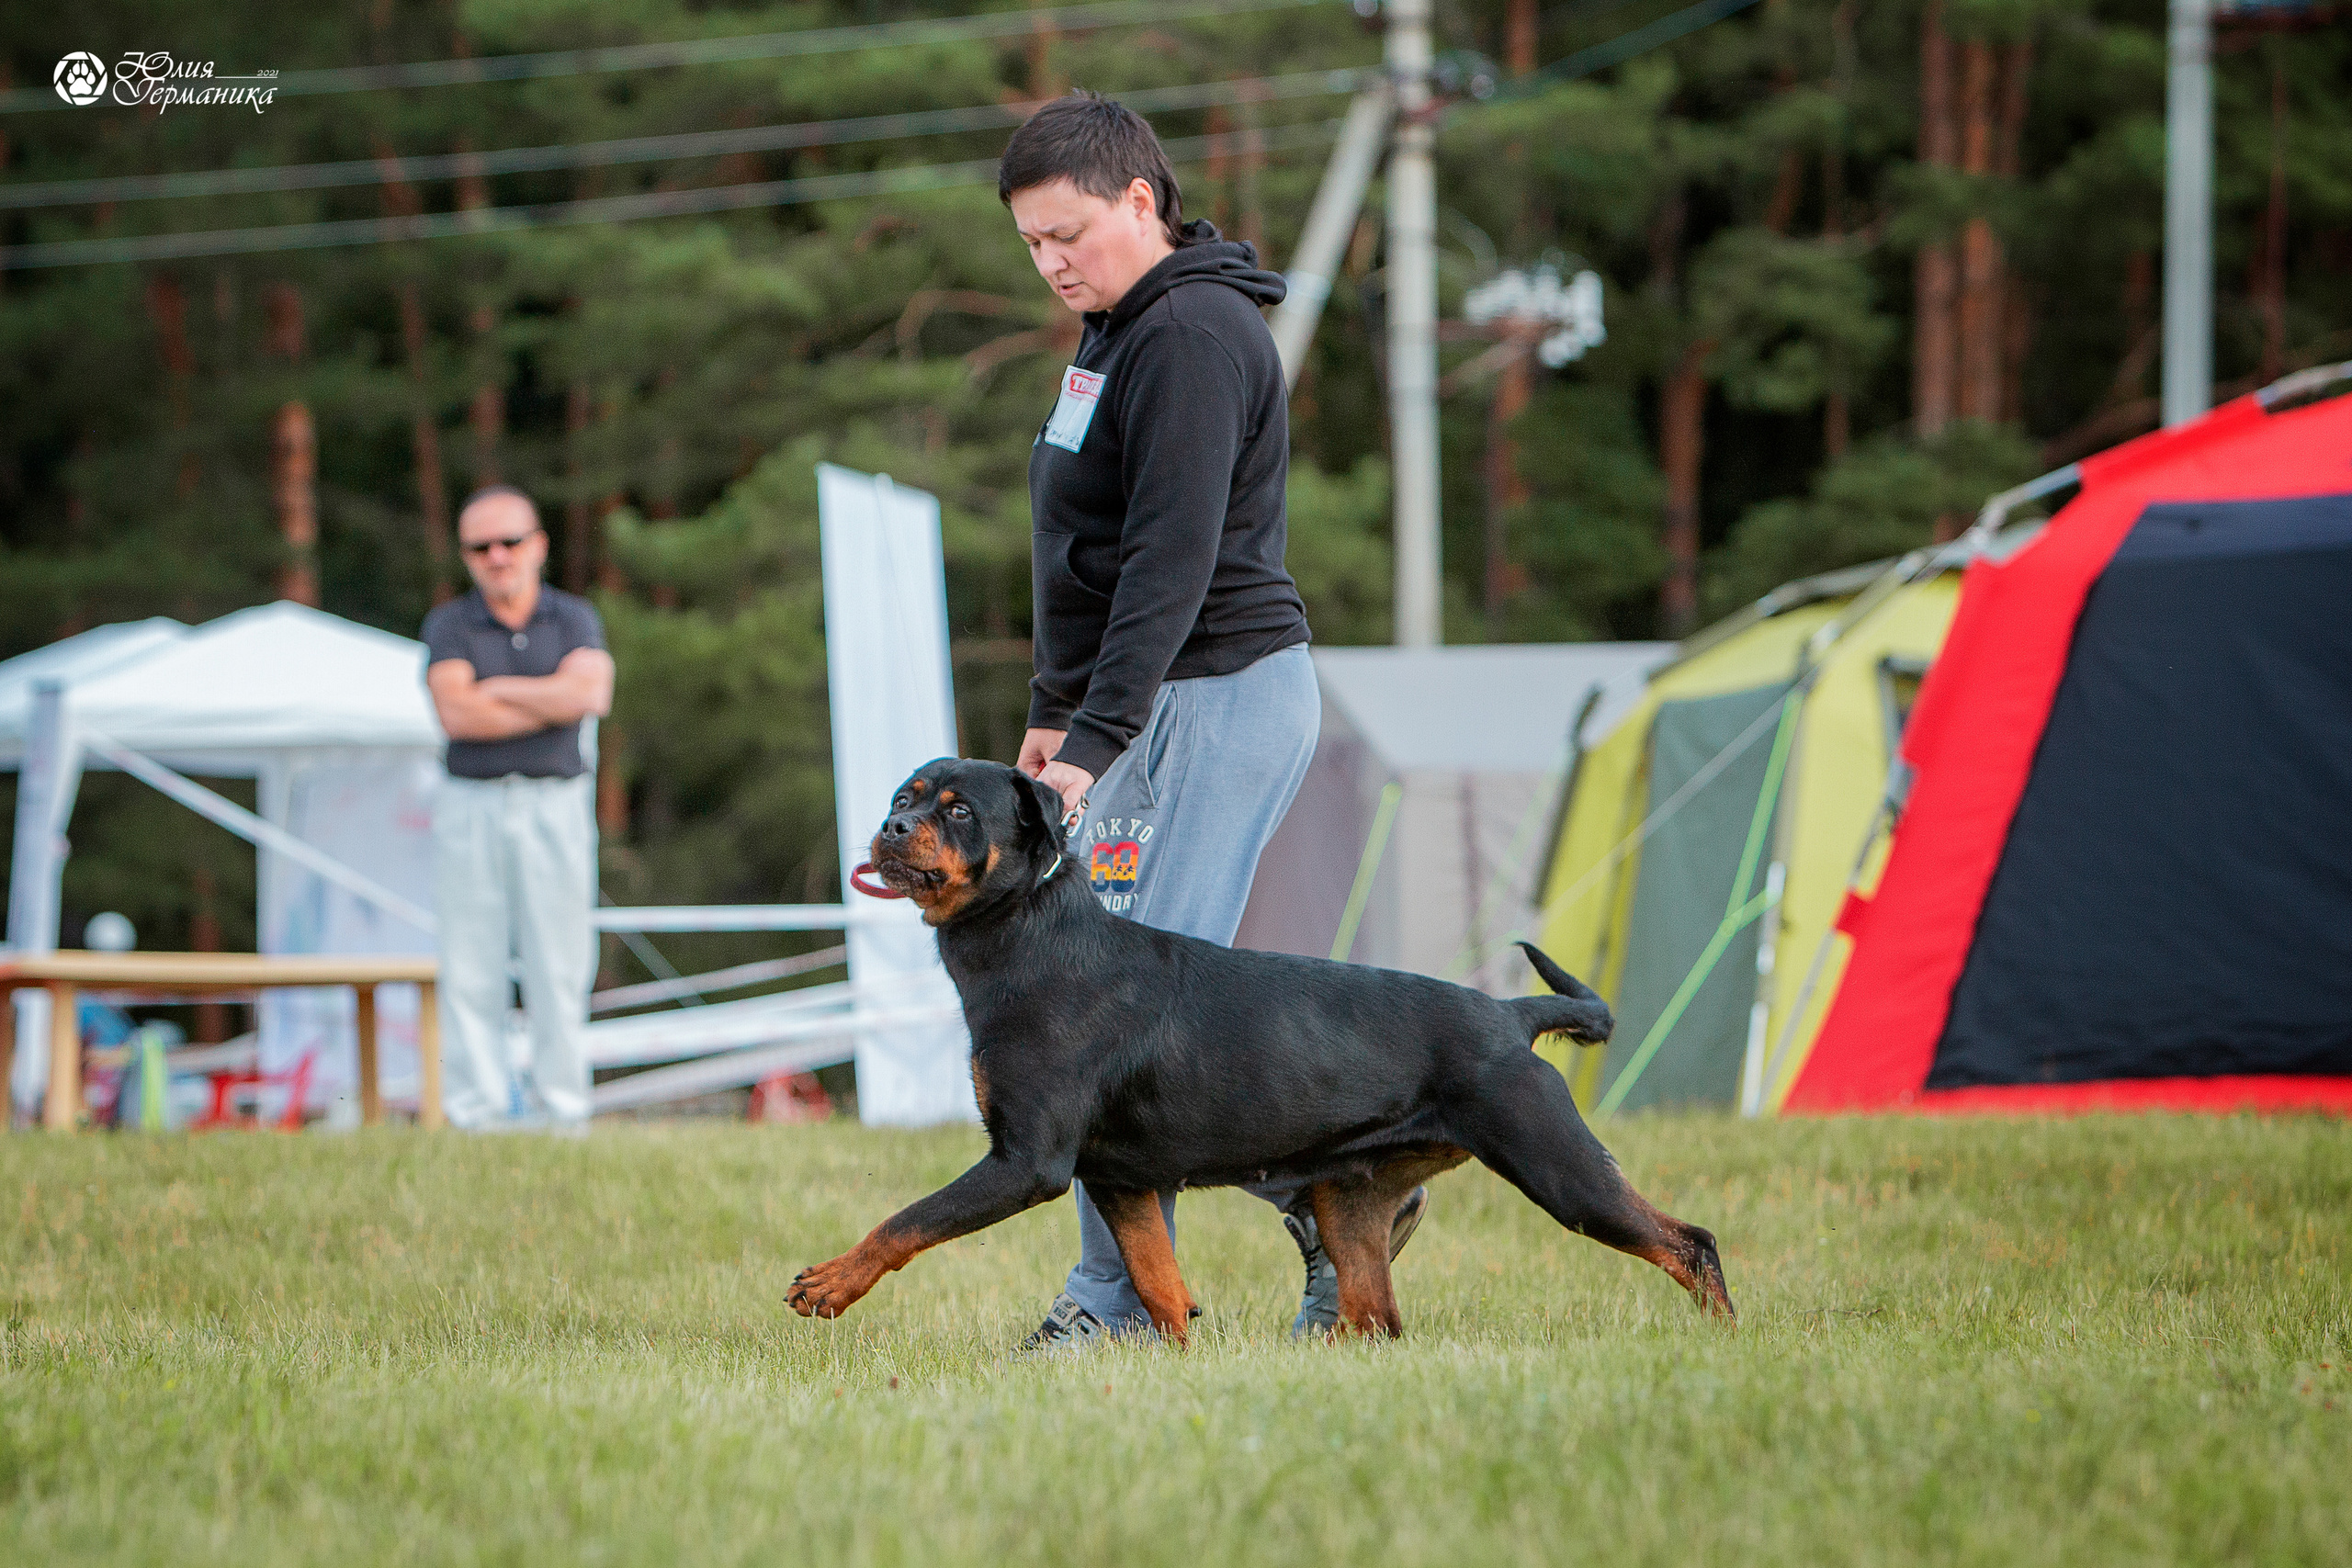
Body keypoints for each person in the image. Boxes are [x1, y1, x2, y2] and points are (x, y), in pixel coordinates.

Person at [1001, 93, 1426, 1352]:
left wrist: (1092, 741)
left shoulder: (1186, 333)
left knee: (1121, 1022)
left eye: (1069, 233)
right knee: (1136, 1018)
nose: (1053, 263)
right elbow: (1076, 537)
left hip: (1216, 694)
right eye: (1031, 244)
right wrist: (1050, 711)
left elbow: (1171, 562)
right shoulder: (1116, 331)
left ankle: (1116, 1302)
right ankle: (1326, 1190)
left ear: (1142, 199)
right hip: (1147, 703)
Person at [421, 486, 614, 1132]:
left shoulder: (575, 616)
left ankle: (564, 1114)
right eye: (481, 546)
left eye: (509, 541)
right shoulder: (449, 623)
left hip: (553, 804)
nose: (497, 555)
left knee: (558, 963)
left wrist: (496, 689)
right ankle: (475, 1116)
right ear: (467, 556)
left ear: (538, 546)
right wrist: (547, 695)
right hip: (470, 806)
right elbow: (455, 712)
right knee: (470, 962)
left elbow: (590, 693)